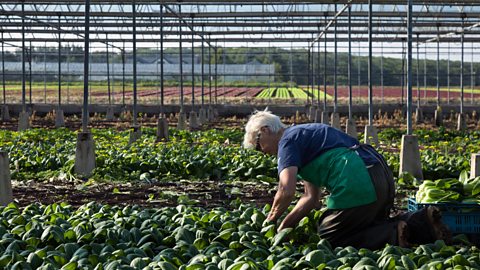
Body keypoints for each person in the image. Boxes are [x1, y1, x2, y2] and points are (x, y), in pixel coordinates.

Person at [243, 110, 451, 250]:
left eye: (259, 146)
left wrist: (270, 221)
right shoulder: (302, 135)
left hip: (357, 180)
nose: (263, 152)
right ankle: (421, 221)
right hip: (380, 175)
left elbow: (286, 191)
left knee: (330, 235)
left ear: (265, 131)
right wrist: (284, 228)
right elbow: (310, 199)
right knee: (367, 221)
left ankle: (392, 236)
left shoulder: (287, 142)